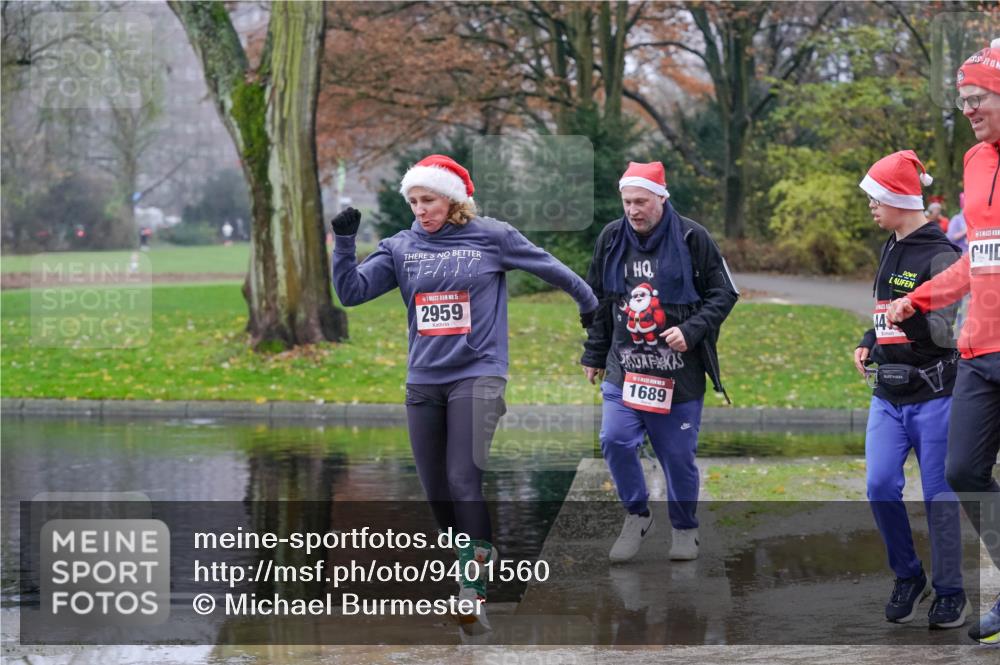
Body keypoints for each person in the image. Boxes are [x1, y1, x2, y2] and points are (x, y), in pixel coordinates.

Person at [331, 154, 598, 634]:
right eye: (413, 202)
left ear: (453, 199)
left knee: (462, 479)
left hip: (479, 374)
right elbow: (350, 293)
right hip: (424, 381)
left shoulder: (492, 236)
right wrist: (345, 242)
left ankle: (471, 588)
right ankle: (472, 557)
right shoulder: (400, 247)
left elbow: (556, 271)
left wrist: (590, 311)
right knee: (436, 492)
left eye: (428, 200)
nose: (420, 210)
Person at [888, 39, 1000, 645]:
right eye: (962, 100)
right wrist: (921, 297)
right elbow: (979, 262)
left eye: (977, 97)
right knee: (963, 470)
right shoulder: (977, 162)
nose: (968, 109)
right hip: (980, 349)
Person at [581, 161, 738, 563]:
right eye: (627, 201)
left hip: (677, 374)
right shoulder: (613, 237)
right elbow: (599, 299)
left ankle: (685, 528)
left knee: (677, 458)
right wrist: (594, 353)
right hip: (625, 365)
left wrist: (693, 329)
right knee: (614, 440)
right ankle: (637, 514)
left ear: (661, 199)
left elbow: (725, 294)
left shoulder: (691, 237)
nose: (633, 210)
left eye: (641, 202)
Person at [853, 150, 966, 628]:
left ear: (899, 198)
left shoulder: (942, 253)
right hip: (888, 396)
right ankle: (908, 575)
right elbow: (884, 308)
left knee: (939, 499)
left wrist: (910, 313)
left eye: (876, 197)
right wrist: (867, 341)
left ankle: (951, 592)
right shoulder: (892, 244)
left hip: (934, 396)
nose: (871, 207)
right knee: (879, 485)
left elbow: (945, 335)